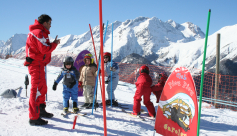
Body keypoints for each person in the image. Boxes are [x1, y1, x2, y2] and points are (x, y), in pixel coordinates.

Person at [23, 14, 60, 126]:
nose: (50, 25)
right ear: (44, 23)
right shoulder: (38, 32)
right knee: (36, 90)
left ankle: (41, 110)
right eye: (49, 23)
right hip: (36, 64)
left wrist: (52, 44)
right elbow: (44, 49)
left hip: (39, 64)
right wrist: (54, 44)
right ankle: (34, 117)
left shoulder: (40, 32)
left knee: (42, 88)